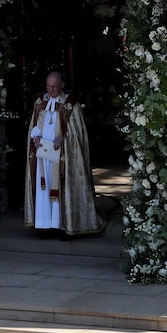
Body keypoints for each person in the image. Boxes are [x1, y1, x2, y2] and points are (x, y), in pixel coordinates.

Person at [24, 71, 105, 236]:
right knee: (43, 190)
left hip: (63, 157)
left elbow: (77, 133)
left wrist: (63, 140)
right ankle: (45, 225)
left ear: (62, 85)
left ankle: (63, 226)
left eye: (54, 86)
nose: (51, 89)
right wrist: (36, 136)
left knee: (63, 190)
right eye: (48, 86)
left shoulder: (71, 104)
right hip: (43, 156)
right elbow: (35, 124)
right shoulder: (41, 102)